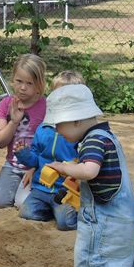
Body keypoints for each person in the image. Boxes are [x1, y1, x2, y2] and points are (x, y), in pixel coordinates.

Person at [44, 84, 134, 267]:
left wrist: (64, 168)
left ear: (76, 120)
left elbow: (90, 171)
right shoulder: (108, 136)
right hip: (125, 216)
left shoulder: (93, 140)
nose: (57, 130)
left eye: (59, 124)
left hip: (105, 217)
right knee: (119, 256)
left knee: (91, 253)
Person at [14, 70, 86, 231]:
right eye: (57, 95)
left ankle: (68, 213)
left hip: (66, 190)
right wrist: (25, 155)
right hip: (42, 188)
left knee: (65, 224)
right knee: (26, 213)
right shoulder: (44, 127)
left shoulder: (80, 132)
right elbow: (36, 158)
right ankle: (51, 212)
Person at [0, 54, 47, 210]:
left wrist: (35, 168)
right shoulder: (5, 104)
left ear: (39, 83)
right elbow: (1, 142)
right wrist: (14, 121)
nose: (23, 87)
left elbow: (50, 146)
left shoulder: (46, 106)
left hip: (36, 166)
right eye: (19, 81)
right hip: (12, 165)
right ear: (13, 78)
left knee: (22, 204)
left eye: (30, 83)